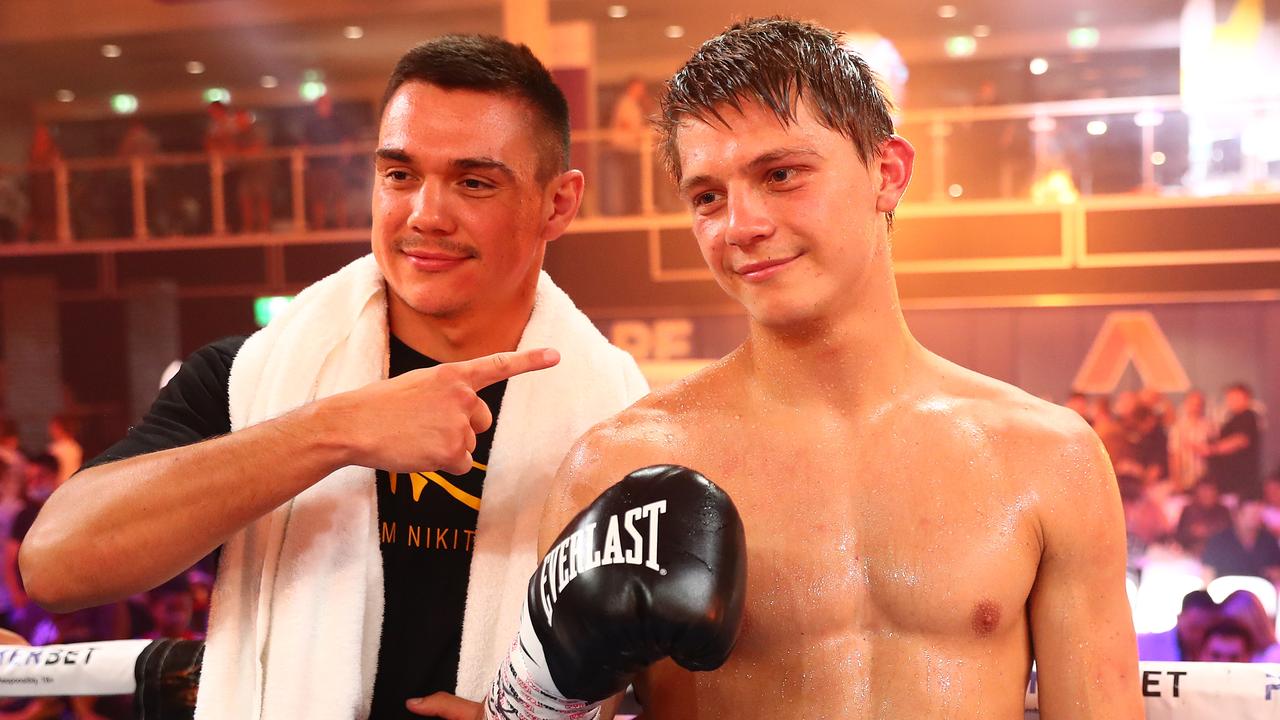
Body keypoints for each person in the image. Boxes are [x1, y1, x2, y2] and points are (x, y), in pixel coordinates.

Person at [416, 17, 1142, 719]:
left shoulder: (1049, 460)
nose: (741, 224)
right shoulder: (621, 463)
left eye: (782, 174)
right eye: (708, 196)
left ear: (887, 173)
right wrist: (542, 688)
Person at [20, 34, 647, 720]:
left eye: (474, 182)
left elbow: (674, 681)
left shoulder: (625, 425)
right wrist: (333, 429)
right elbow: (55, 563)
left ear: (557, 204)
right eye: (400, 174)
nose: (424, 216)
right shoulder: (248, 378)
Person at [1207, 383, 1263, 500]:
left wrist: (1211, 450)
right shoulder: (1232, 419)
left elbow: (1240, 440)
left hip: (1241, 484)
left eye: (1233, 397)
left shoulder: (1248, 416)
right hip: (1227, 483)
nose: (1229, 401)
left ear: (1245, 397)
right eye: (1228, 397)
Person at [1169, 389, 1214, 491]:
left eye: (1199, 404)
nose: (1196, 407)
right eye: (1192, 404)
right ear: (1186, 404)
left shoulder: (1211, 427)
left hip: (1205, 480)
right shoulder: (1178, 428)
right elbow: (1174, 455)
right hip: (1185, 480)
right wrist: (1176, 481)